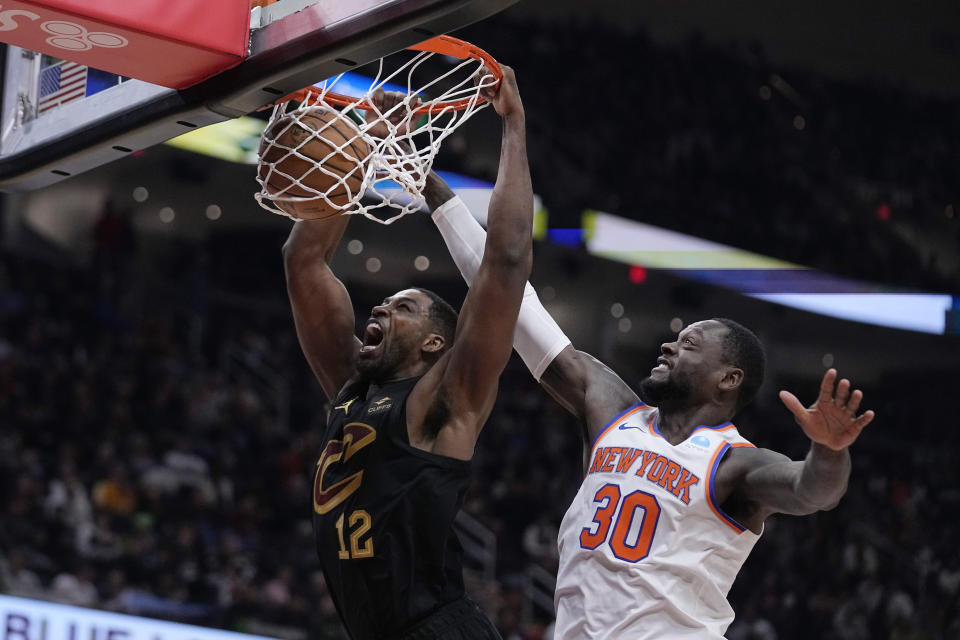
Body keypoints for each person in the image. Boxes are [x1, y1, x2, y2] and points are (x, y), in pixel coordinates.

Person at [426, 191, 876, 638]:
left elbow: (812, 491)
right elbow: (514, 301)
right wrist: (434, 192)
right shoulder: (611, 411)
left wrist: (829, 449)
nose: (668, 345)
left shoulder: (734, 462)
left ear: (729, 378)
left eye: (690, 344)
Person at [281, 66, 531, 640]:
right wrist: (354, 151)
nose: (379, 310)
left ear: (436, 343)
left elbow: (508, 259)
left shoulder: (444, 401)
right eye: (385, 303)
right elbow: (304, 262)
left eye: (403, 308)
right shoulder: (350, 385)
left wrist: (513, 127)